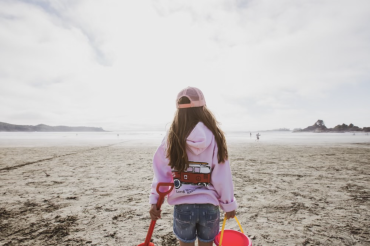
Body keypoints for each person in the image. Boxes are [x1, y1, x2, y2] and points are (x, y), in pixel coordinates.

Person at [148, 86, 238, 246]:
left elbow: (161, 174)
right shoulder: (215, 137)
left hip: (183, 206)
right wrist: (228, 203)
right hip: (209, 205)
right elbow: (222, 175)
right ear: (203, 108)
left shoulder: (171, 138)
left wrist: (156, 201)